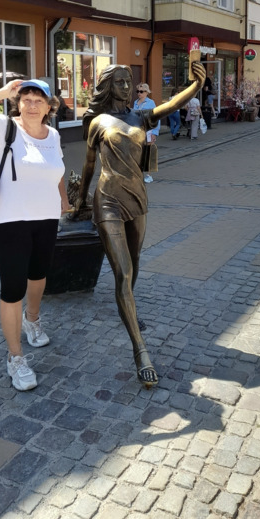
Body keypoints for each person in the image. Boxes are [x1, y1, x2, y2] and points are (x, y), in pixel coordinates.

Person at [72, 61, 206, 387]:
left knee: (134, 264)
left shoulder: (140, 116)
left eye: (128, 81)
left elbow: (171, 105)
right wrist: (79, 201)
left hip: (137, 199)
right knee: (122, 273)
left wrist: (196, 86)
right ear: (108, 86)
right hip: (107, 201)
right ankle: (141, 351)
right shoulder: (98, 122)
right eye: (119, 82)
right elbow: (88, 165)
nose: (125, 87)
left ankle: (128, 308)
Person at [0, 79, 70, 392]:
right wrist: (1, 92)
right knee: (13, 289)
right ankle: (15, 357)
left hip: (46, 218)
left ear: (48, 107)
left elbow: (57, 168)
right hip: (10, 221)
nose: (32, 104)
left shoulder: (53, 135)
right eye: (25, 98)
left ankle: (32, 320)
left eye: (39, 100)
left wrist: (63, 199)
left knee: (39, 275)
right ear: (18, 103)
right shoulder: (4, 128)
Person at [133, 83, 159, 183]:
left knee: (148, 152)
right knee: (137, 152)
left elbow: (156, 117)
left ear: (147, 92)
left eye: (141, 91)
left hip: (148, 131)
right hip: (137, 131)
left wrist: (154, 132)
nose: (139, 93)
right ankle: (138, 173)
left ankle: (149, 175)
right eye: (138, 91)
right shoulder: (135, 103)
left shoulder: (151, 103)